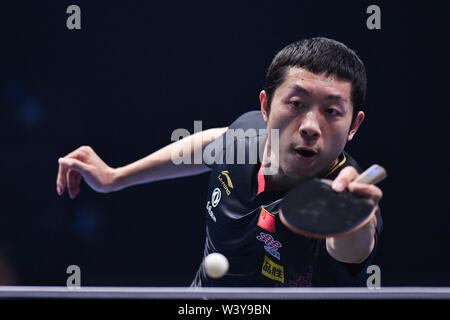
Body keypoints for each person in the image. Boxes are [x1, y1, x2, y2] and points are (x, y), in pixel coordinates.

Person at [56, 37, 383, 287]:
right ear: (266, 107)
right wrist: (116, 177)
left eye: (331, 111)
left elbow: (351, 249)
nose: (311, 125)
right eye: (296, 103)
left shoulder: (344, 198)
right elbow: (215, 140)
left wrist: (351, 217)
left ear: (353, 125)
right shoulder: (246, 133)